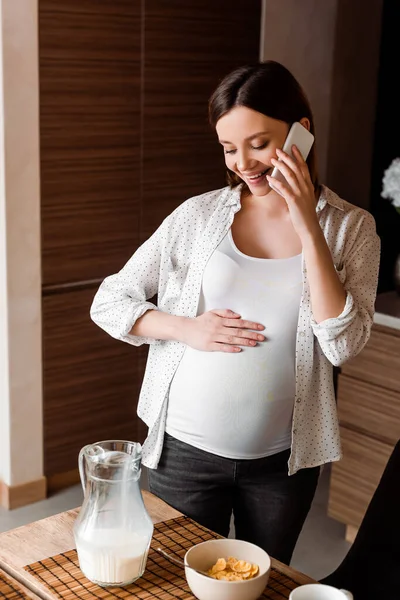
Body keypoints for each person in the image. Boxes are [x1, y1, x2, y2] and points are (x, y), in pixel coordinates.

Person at [90, 61, 380, 564]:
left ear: (301, 133)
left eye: (259, 143)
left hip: (282, 467)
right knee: (174, 587)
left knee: (258, 586)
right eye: (229, 148)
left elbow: (344, 344)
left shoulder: (352, 229)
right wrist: (186, 329)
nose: (243, 163)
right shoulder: (197, 216)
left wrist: (307, 223)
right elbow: (109, 301)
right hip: (181, 456)